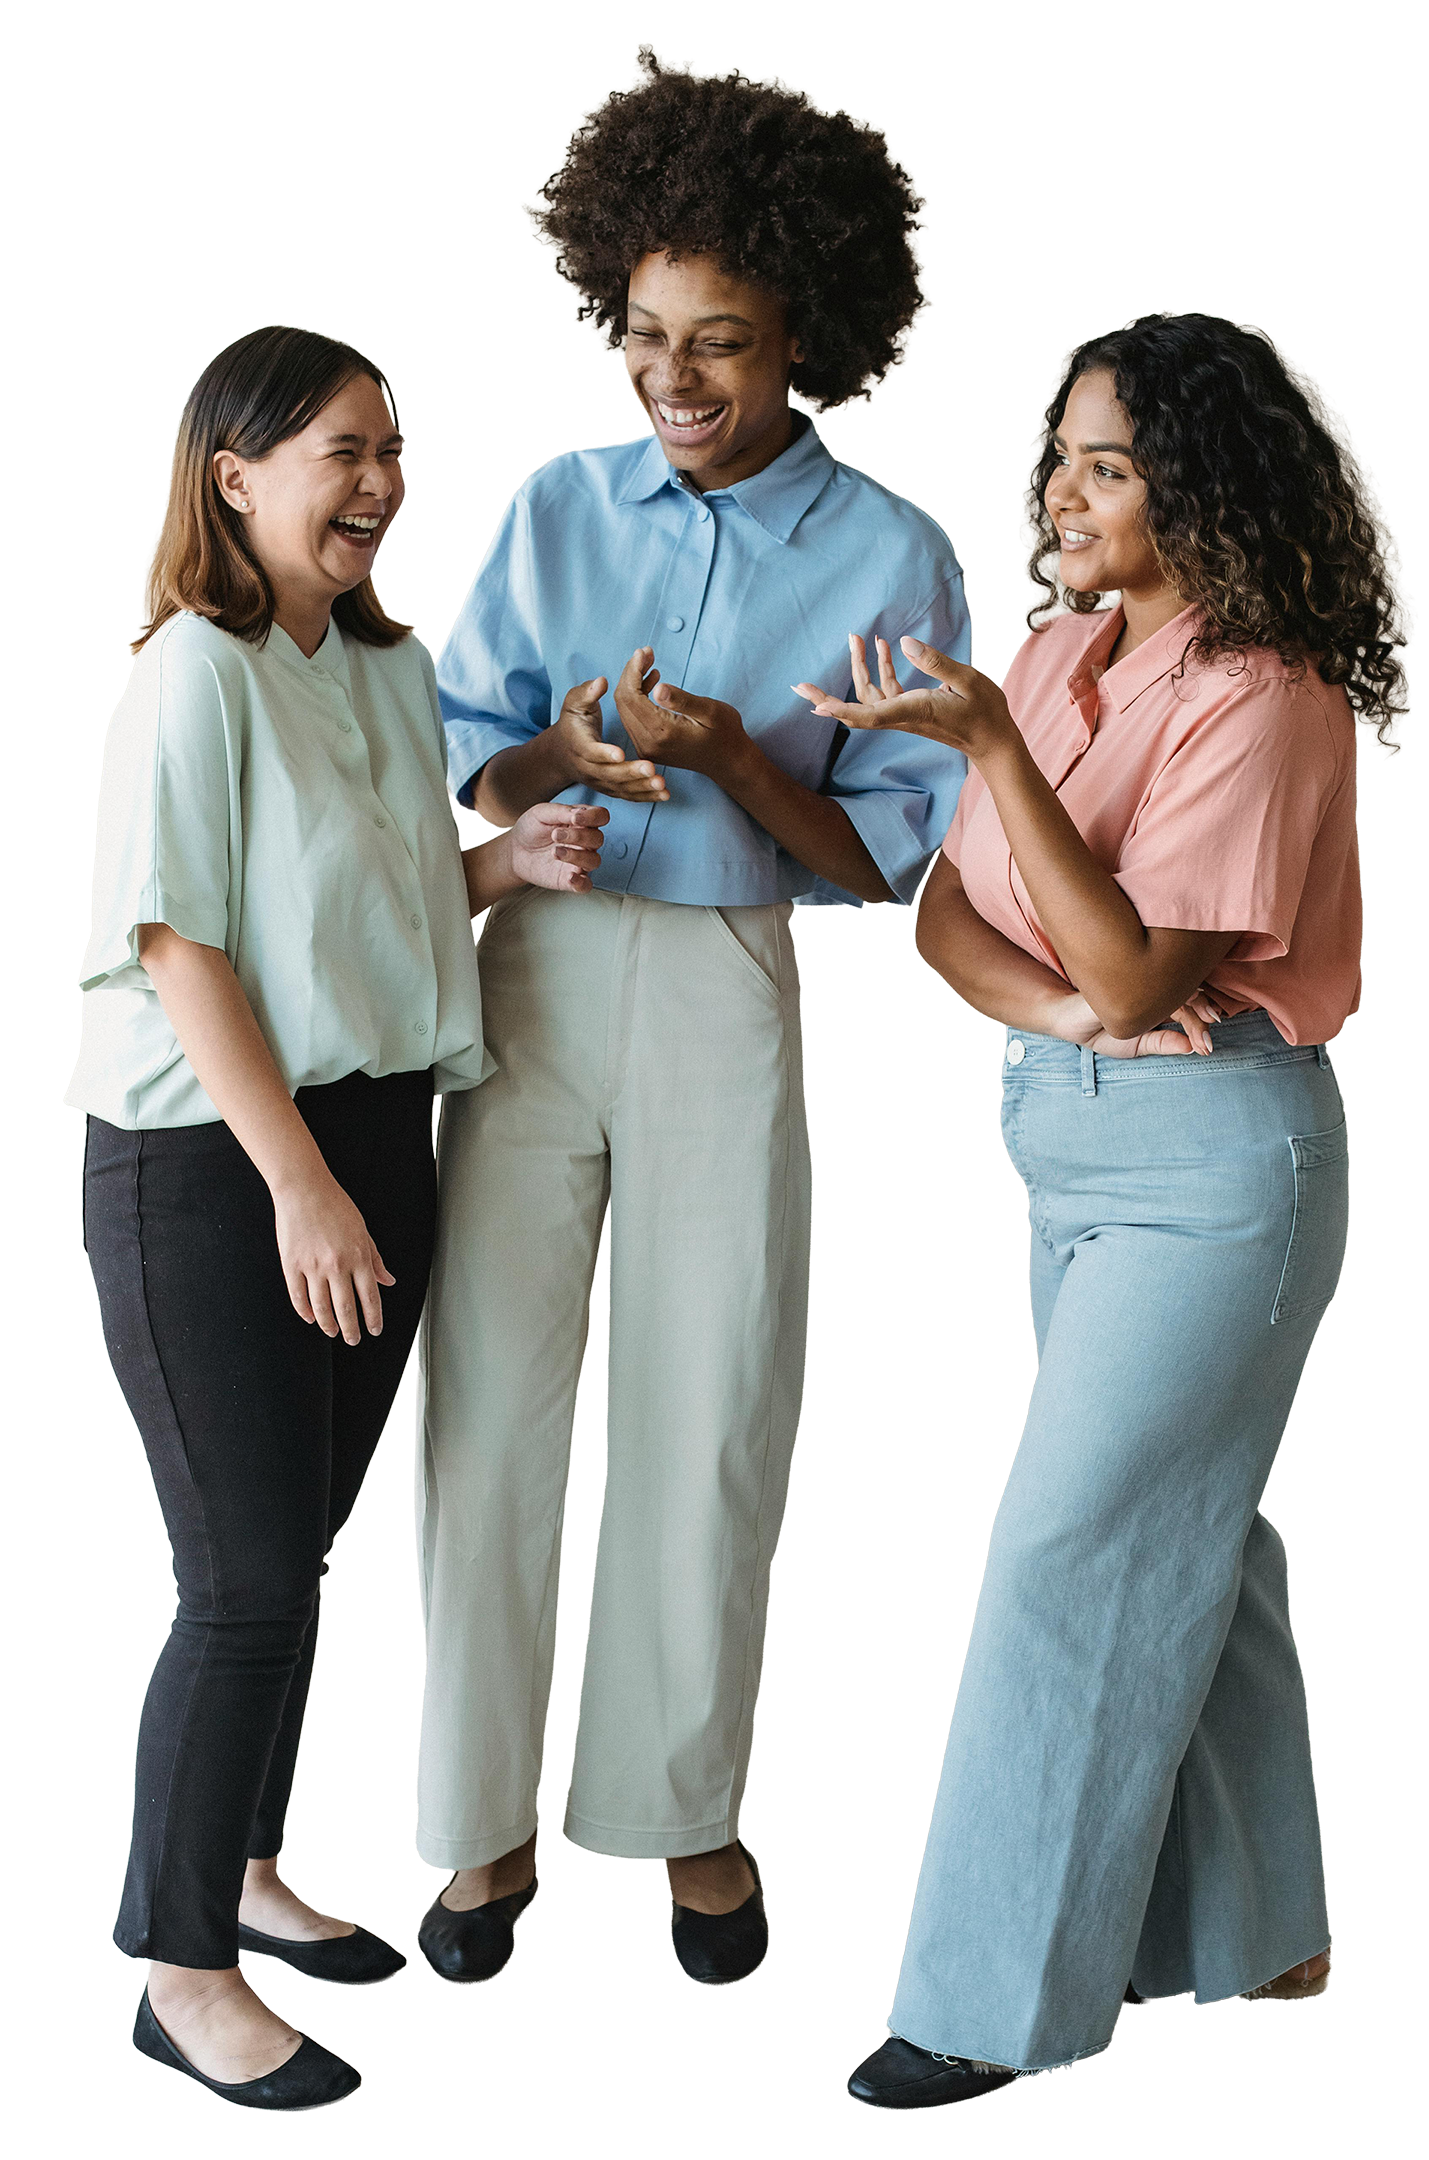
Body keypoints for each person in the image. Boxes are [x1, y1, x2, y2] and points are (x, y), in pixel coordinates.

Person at [791, 312, 1407, 2104]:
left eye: (1107, 464)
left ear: (1200, 490)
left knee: (1072, 1553)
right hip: (1071, 1142)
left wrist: (992, 763)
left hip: (1221, 1168)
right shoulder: (1060, 653)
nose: (1061, 491)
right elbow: (950, 930)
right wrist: (1067, 1011)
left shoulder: (1266, 696)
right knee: (1190, 1526)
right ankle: (1244, 1939)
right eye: (1061, 452)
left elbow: (1148, 974)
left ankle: (992, 2014)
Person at [413, 50, 970, 1986]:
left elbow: (882, 856)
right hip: (537, 963)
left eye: (719, 341)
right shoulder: (564, 506)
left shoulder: (897, 560)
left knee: (712, 1397)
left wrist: (730, 753)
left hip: (726, 985)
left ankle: (681, 1805)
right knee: (492, 1389)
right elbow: (466, 753)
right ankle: (474, 1824)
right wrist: (555, 753)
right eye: (648, 334)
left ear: (807, 330)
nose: (675, 376)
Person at [67, 325, 606, 2111]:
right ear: (235, 474)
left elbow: (361, 913)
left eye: (391, 449)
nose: (380, 484)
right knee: (237, 1583)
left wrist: (505, 863)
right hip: (222, 1164)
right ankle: (177, 1970)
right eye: (339, 453)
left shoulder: (384, 670)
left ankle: (238, 1866)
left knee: (296, 1562)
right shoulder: (194, 674)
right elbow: (181, 942)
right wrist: (295, 1179)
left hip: (381, 1141)